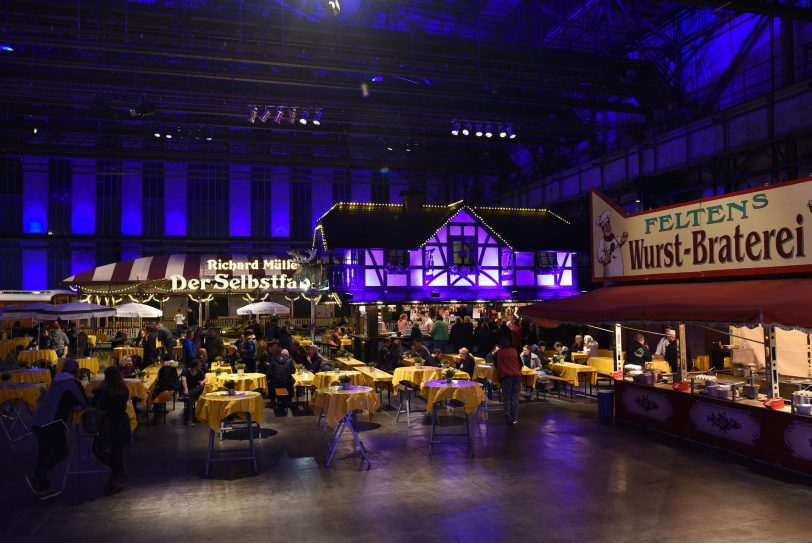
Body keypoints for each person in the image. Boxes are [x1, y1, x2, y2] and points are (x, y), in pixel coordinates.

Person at [27, 359, 88, 501]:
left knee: (45, 454)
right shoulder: (73, 384)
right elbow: (84, 402)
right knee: (61, 452)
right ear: (76, 372)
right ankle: (38, 476)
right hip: (52, 423)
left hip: (39, 421)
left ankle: (42, 487)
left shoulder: (57, 381)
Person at [91, 366, 130, 495]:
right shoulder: (124, 390)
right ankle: (116, 475)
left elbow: (96, 404)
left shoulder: (104, 392)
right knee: (117, 451)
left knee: (97, 449)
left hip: (108, 423)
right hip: (121, 422)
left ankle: (116, 472)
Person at [494, 338, 522, 425]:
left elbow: (495, 365)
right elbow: (520, 364)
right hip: (516, 376)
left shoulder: (498, 353)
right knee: (514, 397)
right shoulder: (514, 351)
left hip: (506, 377)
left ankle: (507, 414)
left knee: (506, 398)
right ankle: (513, 418)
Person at [595, 209, 628, 278]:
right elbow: (599, 254)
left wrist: (623, 238)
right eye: (605, 226)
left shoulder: (615, 238)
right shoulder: (602, 242)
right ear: (603, 229)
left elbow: (620, 241)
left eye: (608, 225)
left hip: (619, 272)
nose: (607, 228)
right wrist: (604, 258)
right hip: (610, 274)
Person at [180, 358, 206, 426]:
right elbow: (183, 380)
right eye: (199, 365)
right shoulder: (186, 371)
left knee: (202, 386)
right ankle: (190, 420)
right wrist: (186, 389)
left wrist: (202, 381)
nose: (201, 367)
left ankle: (188, 394)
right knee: (190, 399)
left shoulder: (200, 371)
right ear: (195, 366)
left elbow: (206, 378)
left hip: (194, 392)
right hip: (187, 391)